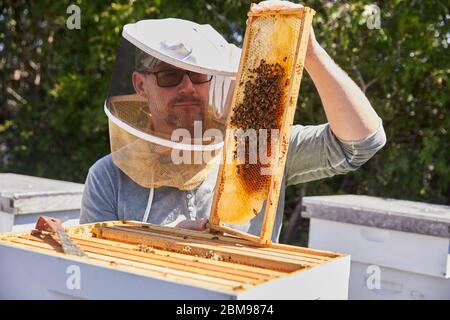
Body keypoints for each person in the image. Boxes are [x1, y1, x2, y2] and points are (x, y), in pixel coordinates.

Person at [80, 1, 386, 242]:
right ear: (141, 85)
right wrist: (164, 245)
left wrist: (309, 53)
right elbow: (93, 270)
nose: (187, 87)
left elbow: (360, 143)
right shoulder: (108, 177)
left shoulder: (257, 148)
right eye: (169, 75)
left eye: (198, 75)